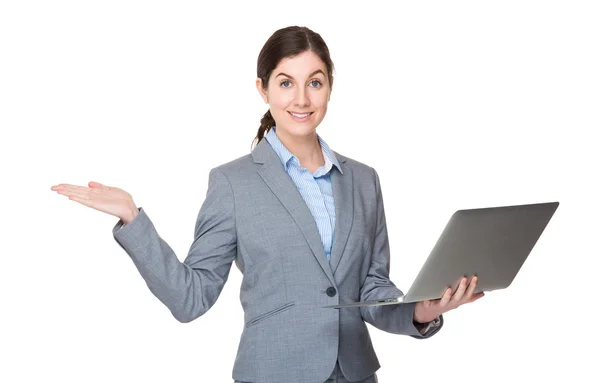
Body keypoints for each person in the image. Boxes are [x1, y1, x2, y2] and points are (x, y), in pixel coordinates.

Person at [50, 26, 484, 383]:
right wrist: (132, 217)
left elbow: (370, 291)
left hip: (355, 375)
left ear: (330, 86)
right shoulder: (233, 182)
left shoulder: (363, 180)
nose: (301, 99)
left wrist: (422, 311)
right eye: (286, 82)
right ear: (263, 89)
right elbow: (191, 298)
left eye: (315, 82)